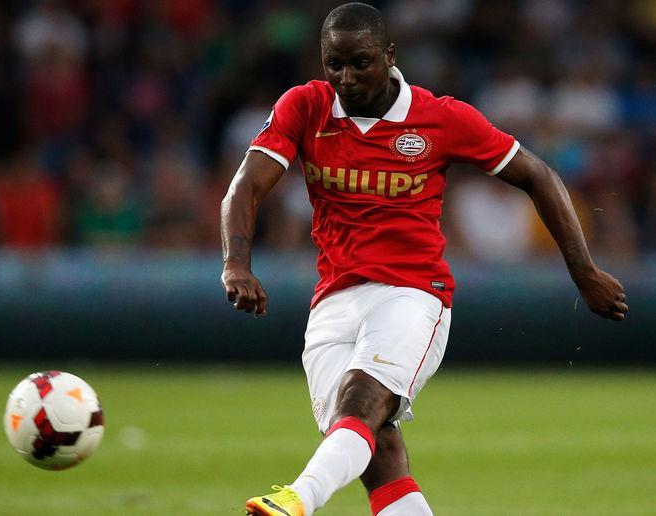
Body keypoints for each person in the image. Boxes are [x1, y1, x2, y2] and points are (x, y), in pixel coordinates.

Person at [220, 4, 628, 515]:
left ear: (389, 56)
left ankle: (297, 499)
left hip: (413, 295)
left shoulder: (441, 117)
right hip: (332, 301)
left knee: (360, 403)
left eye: (360, 63)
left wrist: (583, 272)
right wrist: (236, 263)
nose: (346, 78)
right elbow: (245, 186)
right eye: (334, 65)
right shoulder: (305, 106)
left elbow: (537, 175)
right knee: (378, 450)